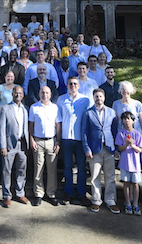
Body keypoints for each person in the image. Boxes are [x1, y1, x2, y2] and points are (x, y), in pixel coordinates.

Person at [113, 81, 142, 214]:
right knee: (128, 170)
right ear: (120, 91)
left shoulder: (137, 104)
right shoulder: (116, 104)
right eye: (123, 91)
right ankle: (130, 199)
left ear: (131, 91)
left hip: (138, 142)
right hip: (124, 141)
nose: (125, 93)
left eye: (127, 91)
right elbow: (115, 124)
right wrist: (117, 147)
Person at [81, 88, 119, 213]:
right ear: (94, 98)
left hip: (109, 148)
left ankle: (110, 200)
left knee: (110, 176)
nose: (99, 99)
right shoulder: (88, 113)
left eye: (100, 96)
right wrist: (87, 148)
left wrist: (116, 148)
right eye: (96, 96)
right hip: (95, 149)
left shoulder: (111, 112)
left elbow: (115, 131)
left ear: (104, 98)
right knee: (95, 177)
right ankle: (96, 201)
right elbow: (84, 132)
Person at [56, 76, 91, 205]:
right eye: (70, 83)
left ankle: (82, 194)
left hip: (80, 138)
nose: (73, 86)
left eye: (75, 84)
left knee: (82, 167)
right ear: (67, 85)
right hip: (66, 138)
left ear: (79, 85)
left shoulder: (85, 100)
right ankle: (68, 193)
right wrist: (58, 139)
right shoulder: (61, 99)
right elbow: (58, 120)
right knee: (67, 167)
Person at [28, 86, 61, 206]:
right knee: (38, 169)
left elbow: (58, 125)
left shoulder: (55, 108)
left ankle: (51, 193)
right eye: (42, 92)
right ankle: (38, 194)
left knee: (52, 169)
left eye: (47, 92)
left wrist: (58, 141)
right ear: (39, 94)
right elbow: (30, 125)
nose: (44, 95)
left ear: (50, 94)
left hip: (52, 141)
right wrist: (31, 139)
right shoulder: (34, 107)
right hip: (38, 141)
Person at [0, 85, 29, 207]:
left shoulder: (25, 109)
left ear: (23, 95)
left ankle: (20, 193)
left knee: (22, 170)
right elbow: (1, 129)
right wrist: (3, 146)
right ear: (12, 94)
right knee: (6, 170)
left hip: (22, 144)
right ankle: (6, 195)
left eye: (20, 93)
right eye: (16, 93)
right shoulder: (5, 109)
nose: (18, 95)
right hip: (9, 145)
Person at [116, 111, 142, 216]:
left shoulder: (137, 134)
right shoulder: (121, 133)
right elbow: (120, 148)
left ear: (133, 121)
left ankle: (135, 204)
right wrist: (126, 144)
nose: (127, 121)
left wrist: (132, 145)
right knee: (126, 183)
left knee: (135, 183)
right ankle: (127, 202)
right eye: (124, 119)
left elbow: (139, 150)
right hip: (125, 162)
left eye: (129, 119)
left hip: (135, 163)